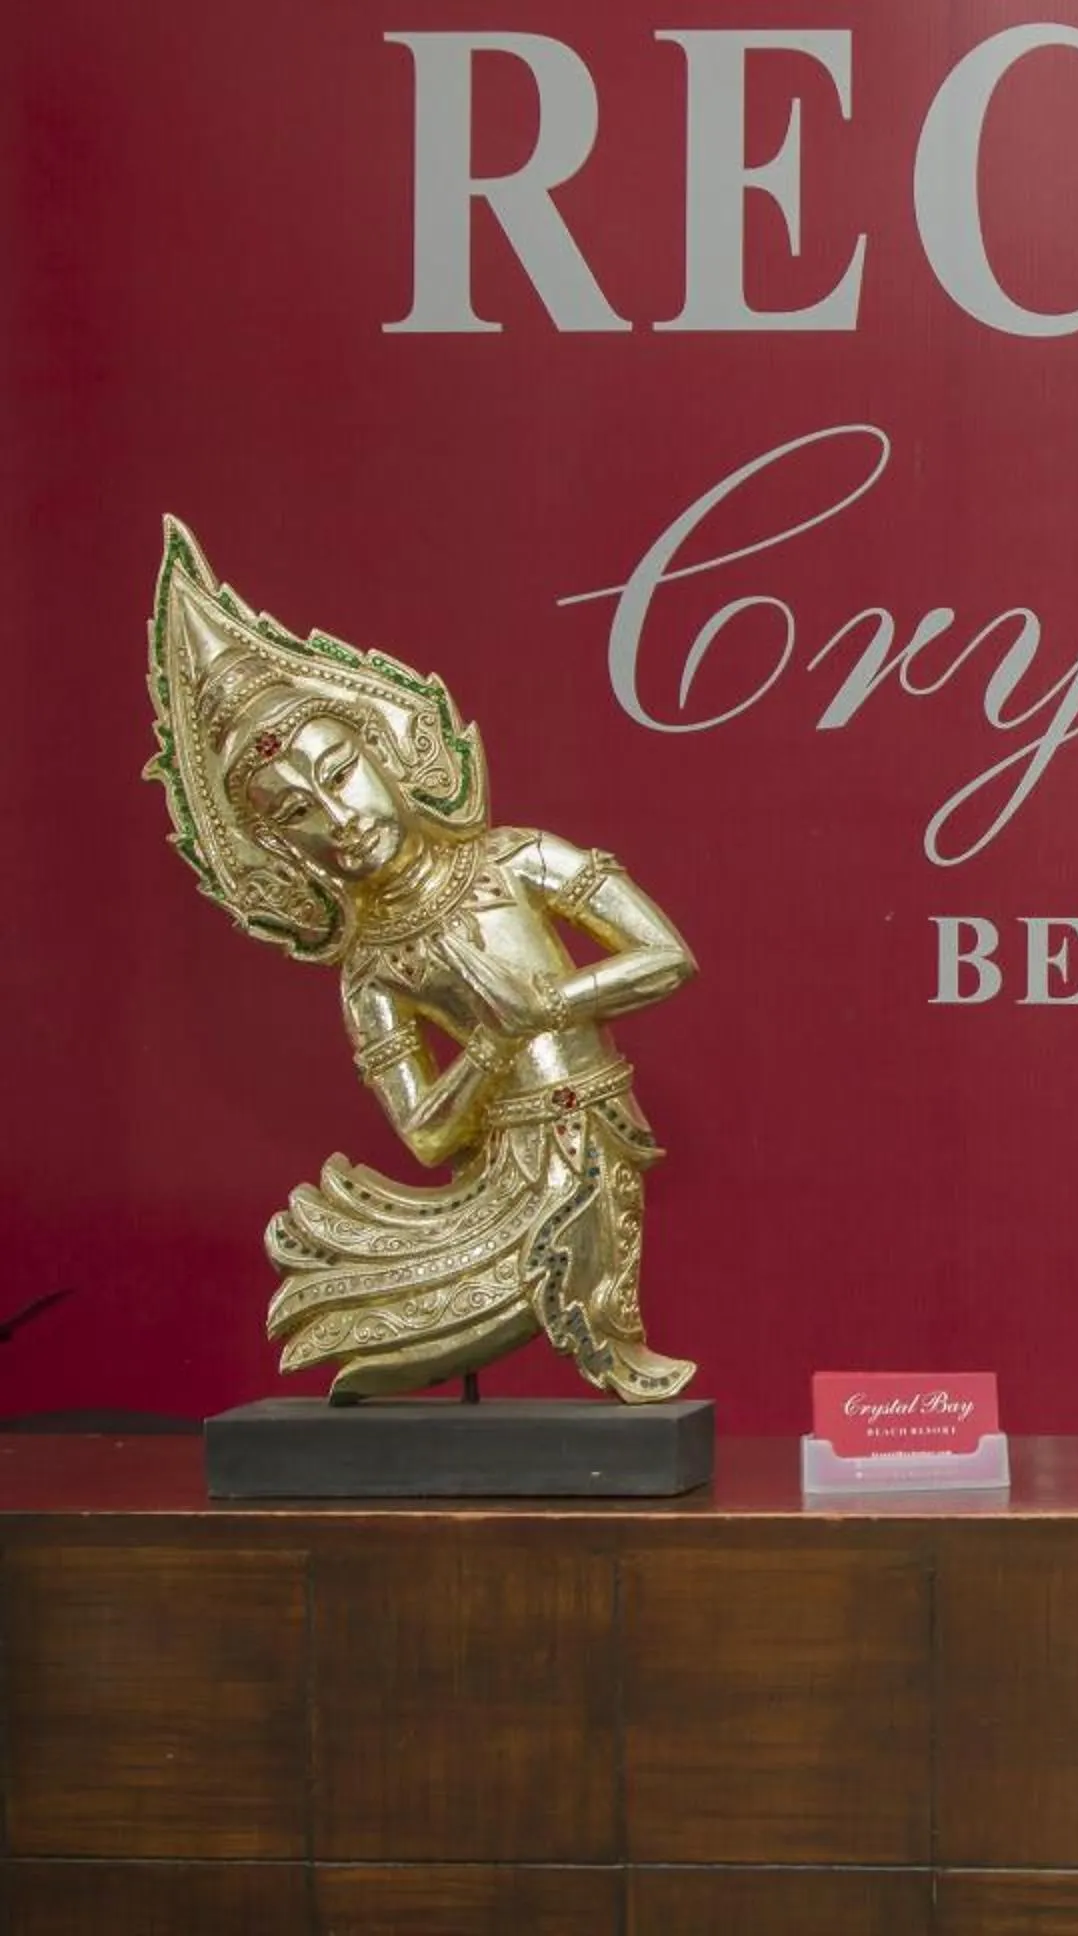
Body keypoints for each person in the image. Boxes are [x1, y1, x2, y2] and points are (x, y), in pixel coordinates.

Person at [146, 519, 699, 1403]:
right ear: (285, 857)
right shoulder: (370, 970)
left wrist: (552, 1002)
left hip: (600, 1118)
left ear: (391, 754)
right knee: (517, 1291)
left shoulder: (517, 859)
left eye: (340, 772)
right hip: (510, 1151)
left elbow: (667, 957)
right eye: (295, 817)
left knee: (598, 1283)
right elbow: (431, 1136)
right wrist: (488, 1046)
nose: (337, 816)